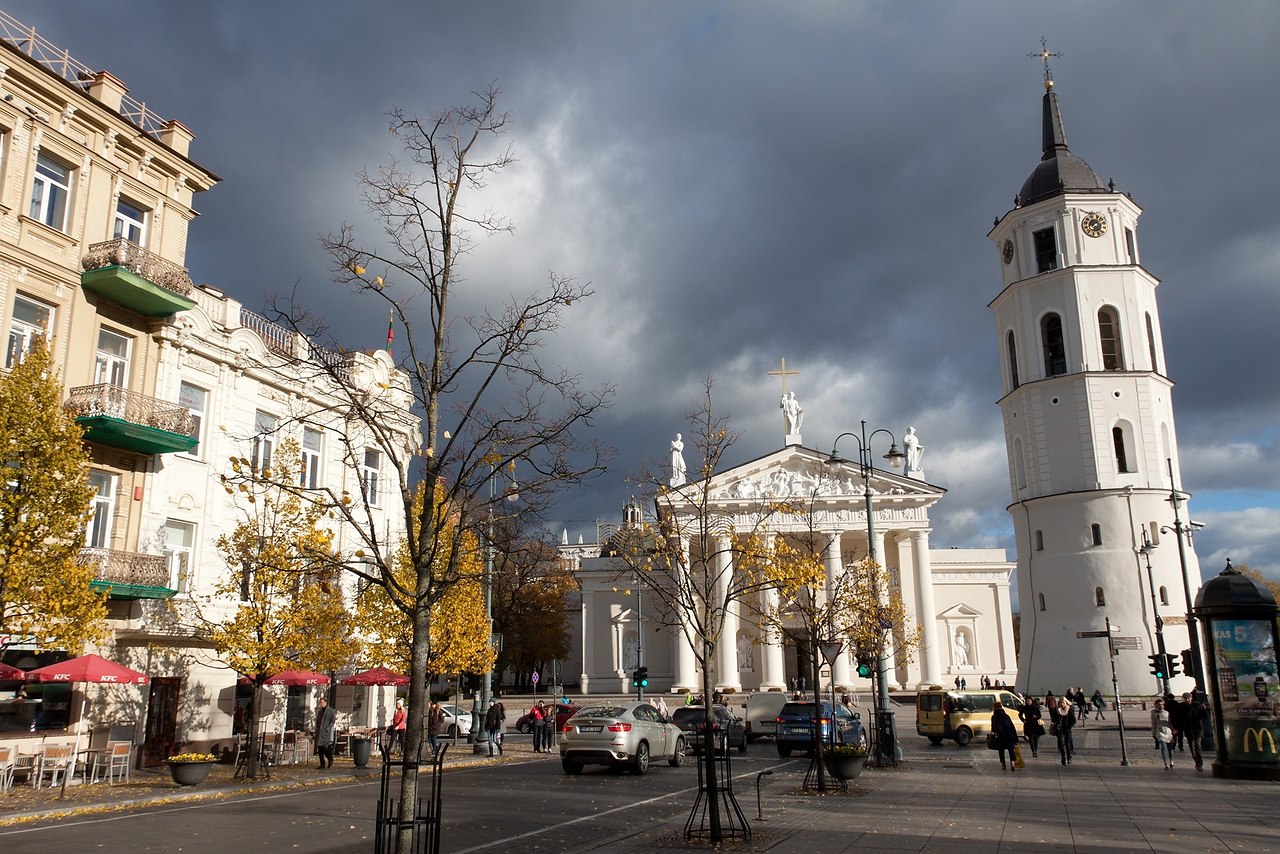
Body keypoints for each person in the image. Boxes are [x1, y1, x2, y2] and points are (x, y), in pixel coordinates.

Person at [1181, 692, 1207, 770]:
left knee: (1197, 745)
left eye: (1188, 698)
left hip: (1198, 728)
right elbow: (1179, 717)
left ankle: (1199, 763)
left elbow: (1204, 716)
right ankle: (1196, 760)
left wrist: (1204, 709)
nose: (1187, 700)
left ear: (1191, 697)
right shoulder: (1181, 706)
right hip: (1188, 729)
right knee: (1191, 746)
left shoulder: (1197, 705)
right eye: (1185, 698)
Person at [991, 700, 1019, 772]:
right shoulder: (1006, 715)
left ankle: (1003, 765)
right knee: (1011, 750)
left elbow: (993, 727)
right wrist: (1015, 737)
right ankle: (1012, 763)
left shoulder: (994, 717)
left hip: (1000, 736)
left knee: (1001, 751)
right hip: (1009, 735)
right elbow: (1011, 726)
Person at [1050, 697, 1076, 765]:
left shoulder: (1069, 709)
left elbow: (1073, 720)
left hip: (1067, 729)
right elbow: (1053, 719)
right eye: (1060, 702)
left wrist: (1069, 726)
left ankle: (1069, 757)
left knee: (1067, 744)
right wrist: (1055, 721)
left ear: (1066, 703)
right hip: (1059, 729)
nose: (1062, 704)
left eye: (1063, 702)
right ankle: (1063, 758)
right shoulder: (1057, 710)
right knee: (1061, 745)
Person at [1151, 698, 1175, 769]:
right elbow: (1153, 724)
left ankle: (1171, 761)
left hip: (1168, 731)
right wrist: (1153, 733)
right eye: (1158, 704)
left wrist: (1173, 729)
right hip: (1160, 731)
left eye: (1161, 704)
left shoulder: (1166, 712)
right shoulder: (1154, 713)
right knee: (1163, 747)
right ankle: (1166, 763)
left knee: (1170, 748)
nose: (1160, 706)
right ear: (1155, 705)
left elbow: (1170, 722)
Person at [314, 696, 336, 769]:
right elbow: (318, 721)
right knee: (319, 748)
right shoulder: (320, 711)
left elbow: (332, 721)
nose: (320, 704)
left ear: (326, 703)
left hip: (325, 732)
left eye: (322, 702)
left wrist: (328, 728)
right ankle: (322, 763)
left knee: (324, 747)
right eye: (320, 703)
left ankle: (330, 758)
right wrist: (317, 729)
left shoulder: (330, 711)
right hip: (320, 732)